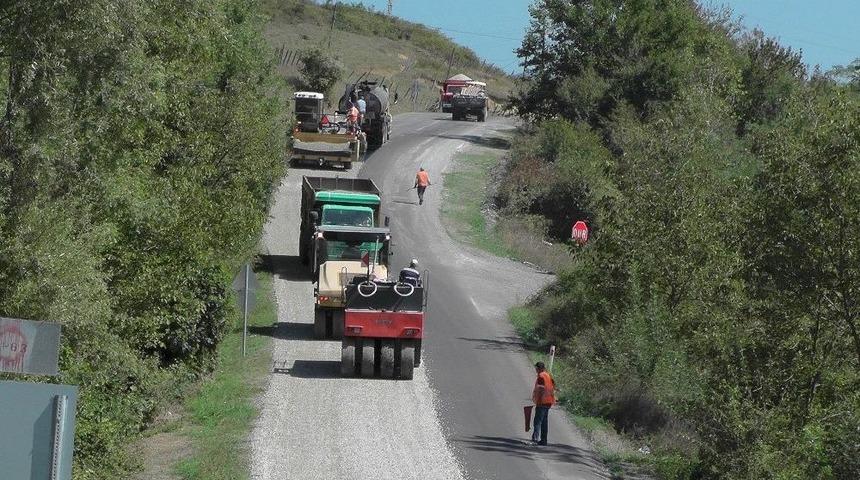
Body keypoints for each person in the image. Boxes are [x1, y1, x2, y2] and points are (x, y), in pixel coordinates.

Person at [531, 361, 555, 445]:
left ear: (539, 368)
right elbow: (553, 385)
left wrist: (536, 399)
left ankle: (535, 439)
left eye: (536, 368)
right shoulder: (548, 375)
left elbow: (540, 389)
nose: (536, 370)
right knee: (544, 421)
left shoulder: (541, 376)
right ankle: (544, 440)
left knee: (537, 421)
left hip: (542, 401)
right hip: (549, 401)